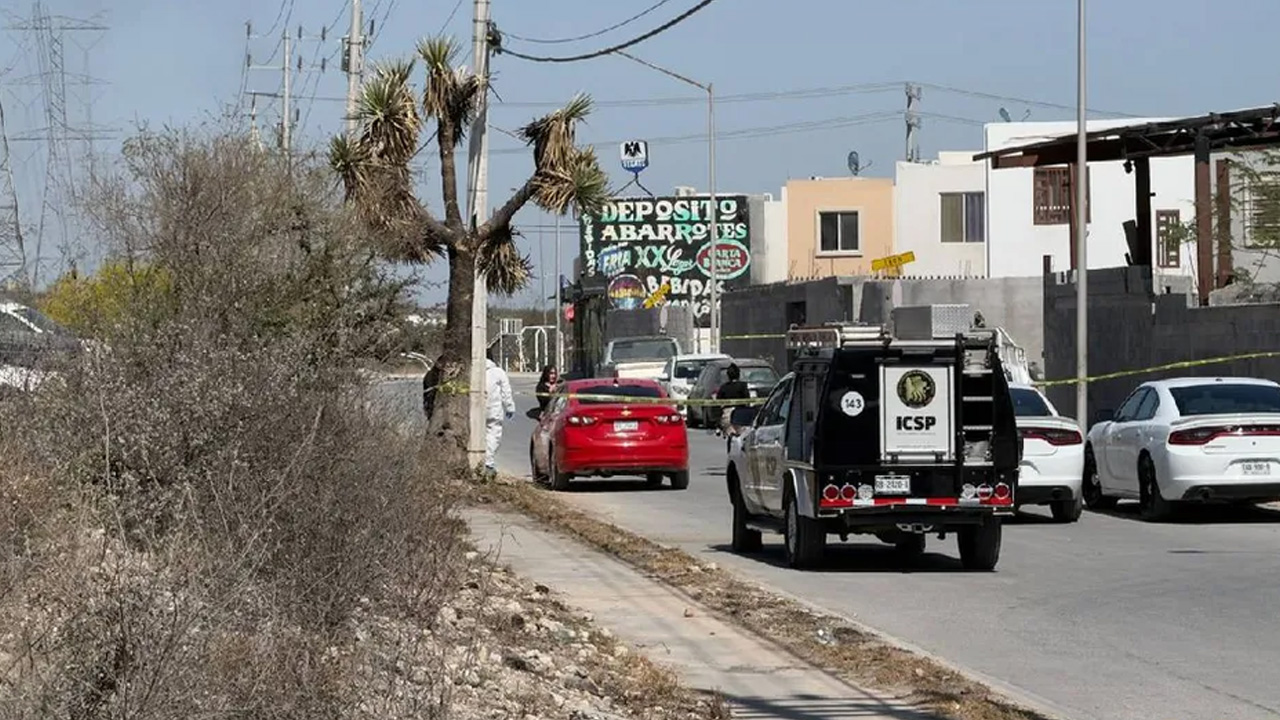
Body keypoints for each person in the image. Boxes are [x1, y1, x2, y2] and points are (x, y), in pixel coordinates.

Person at [484, 345, 516, 474]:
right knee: (493, 436)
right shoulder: (498, 372)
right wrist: (510, 407)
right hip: (494, 410)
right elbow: (506, 392)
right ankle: (488, 463)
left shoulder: (473, 371)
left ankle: (477, 461)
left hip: (475, 410)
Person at [714, 363, 751, 438]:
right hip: (740, 415)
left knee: (730, 435)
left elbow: (718, 402)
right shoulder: (743, 386)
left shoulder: (724, 387)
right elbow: (747, 400)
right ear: (738, 375)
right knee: (741, 437)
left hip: (727, 415)